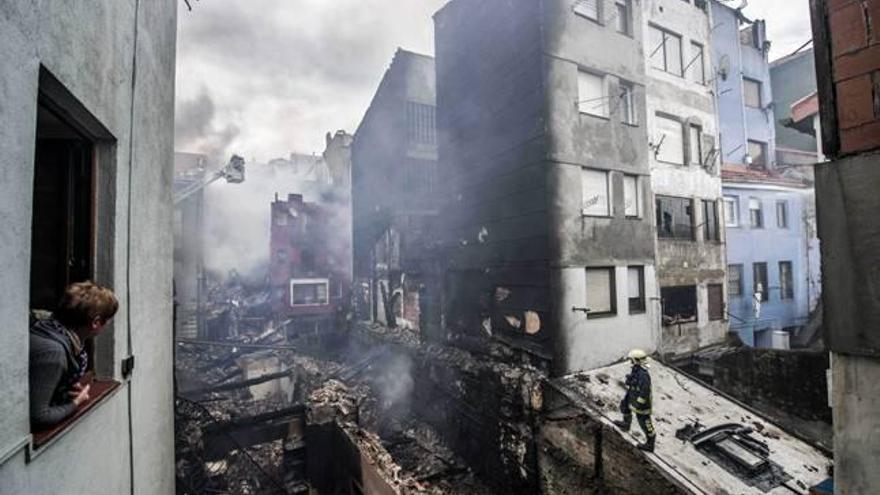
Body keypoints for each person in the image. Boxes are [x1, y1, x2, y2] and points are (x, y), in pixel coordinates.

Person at [29, 281, 118, 428]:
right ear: (96, 322)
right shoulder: (53, 354)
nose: (107, 324)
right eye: (107, 319)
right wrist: (76, 402)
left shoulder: (47, 326)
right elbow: (39, 417)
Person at [613, 349, 656, 452]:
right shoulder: (636, 369)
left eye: (631, 360)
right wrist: (630, 380)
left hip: (642, 403)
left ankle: (650, 443)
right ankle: (626, 424)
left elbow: (645, 391)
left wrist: (639, 403)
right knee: (624, 406)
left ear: (636, 360)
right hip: (632, 395)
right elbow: (634, 381)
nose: (630, 362)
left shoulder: (644, 375)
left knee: (644, 422)